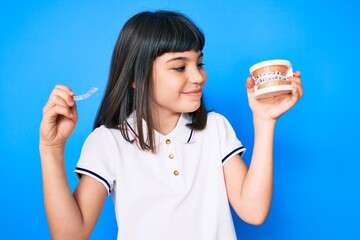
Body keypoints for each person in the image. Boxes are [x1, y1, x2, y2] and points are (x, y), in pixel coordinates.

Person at [39, 10, 303, 240]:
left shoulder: (215, 128)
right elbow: (70, 236)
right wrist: (52, 148)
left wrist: (264, 121)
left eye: (199, 63)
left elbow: (253, 211)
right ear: (136, 78)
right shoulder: (108, 142)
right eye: (179, 67)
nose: (198, 76)